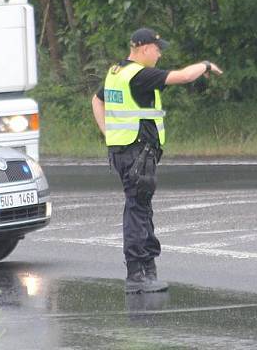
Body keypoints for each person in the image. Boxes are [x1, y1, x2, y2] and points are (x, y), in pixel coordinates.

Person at [91, 27, 223, 294]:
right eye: (157, 48)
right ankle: (137, 274)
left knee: (140, 207)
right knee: (137, 209)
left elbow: (96, 100)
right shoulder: (140, 75)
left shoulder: (117, 71)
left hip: (126, 150)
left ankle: (146, 270)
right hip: (137, 152)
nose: (160, 53)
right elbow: (185, 76)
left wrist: (109, 133)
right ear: (142, 48)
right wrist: (206, 65)